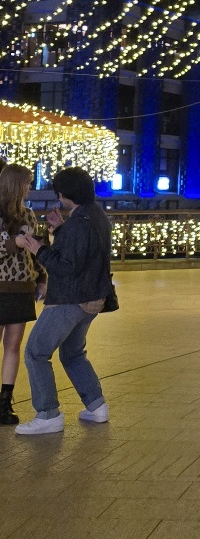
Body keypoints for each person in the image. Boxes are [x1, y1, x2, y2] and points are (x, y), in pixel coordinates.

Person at [14, 166, 112, 435]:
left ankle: (48, 414)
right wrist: (60, 229)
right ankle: (95, 405)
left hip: (71, 298)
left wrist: (38, 248)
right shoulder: (94, 216)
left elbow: (68, 266)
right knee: (72, 352)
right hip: (93, 297)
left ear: (64, 193)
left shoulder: (80, 222)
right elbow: (81, 251)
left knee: (36, 351)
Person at [0, 164, 47, 425]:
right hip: (0, 286)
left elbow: (33, 249)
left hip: (21, 289)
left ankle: (4, 403)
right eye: (27, 183)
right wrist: (11, 243)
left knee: (13, 346)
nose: (30, 187)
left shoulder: (29, 215)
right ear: (15, 184)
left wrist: (41, 277)